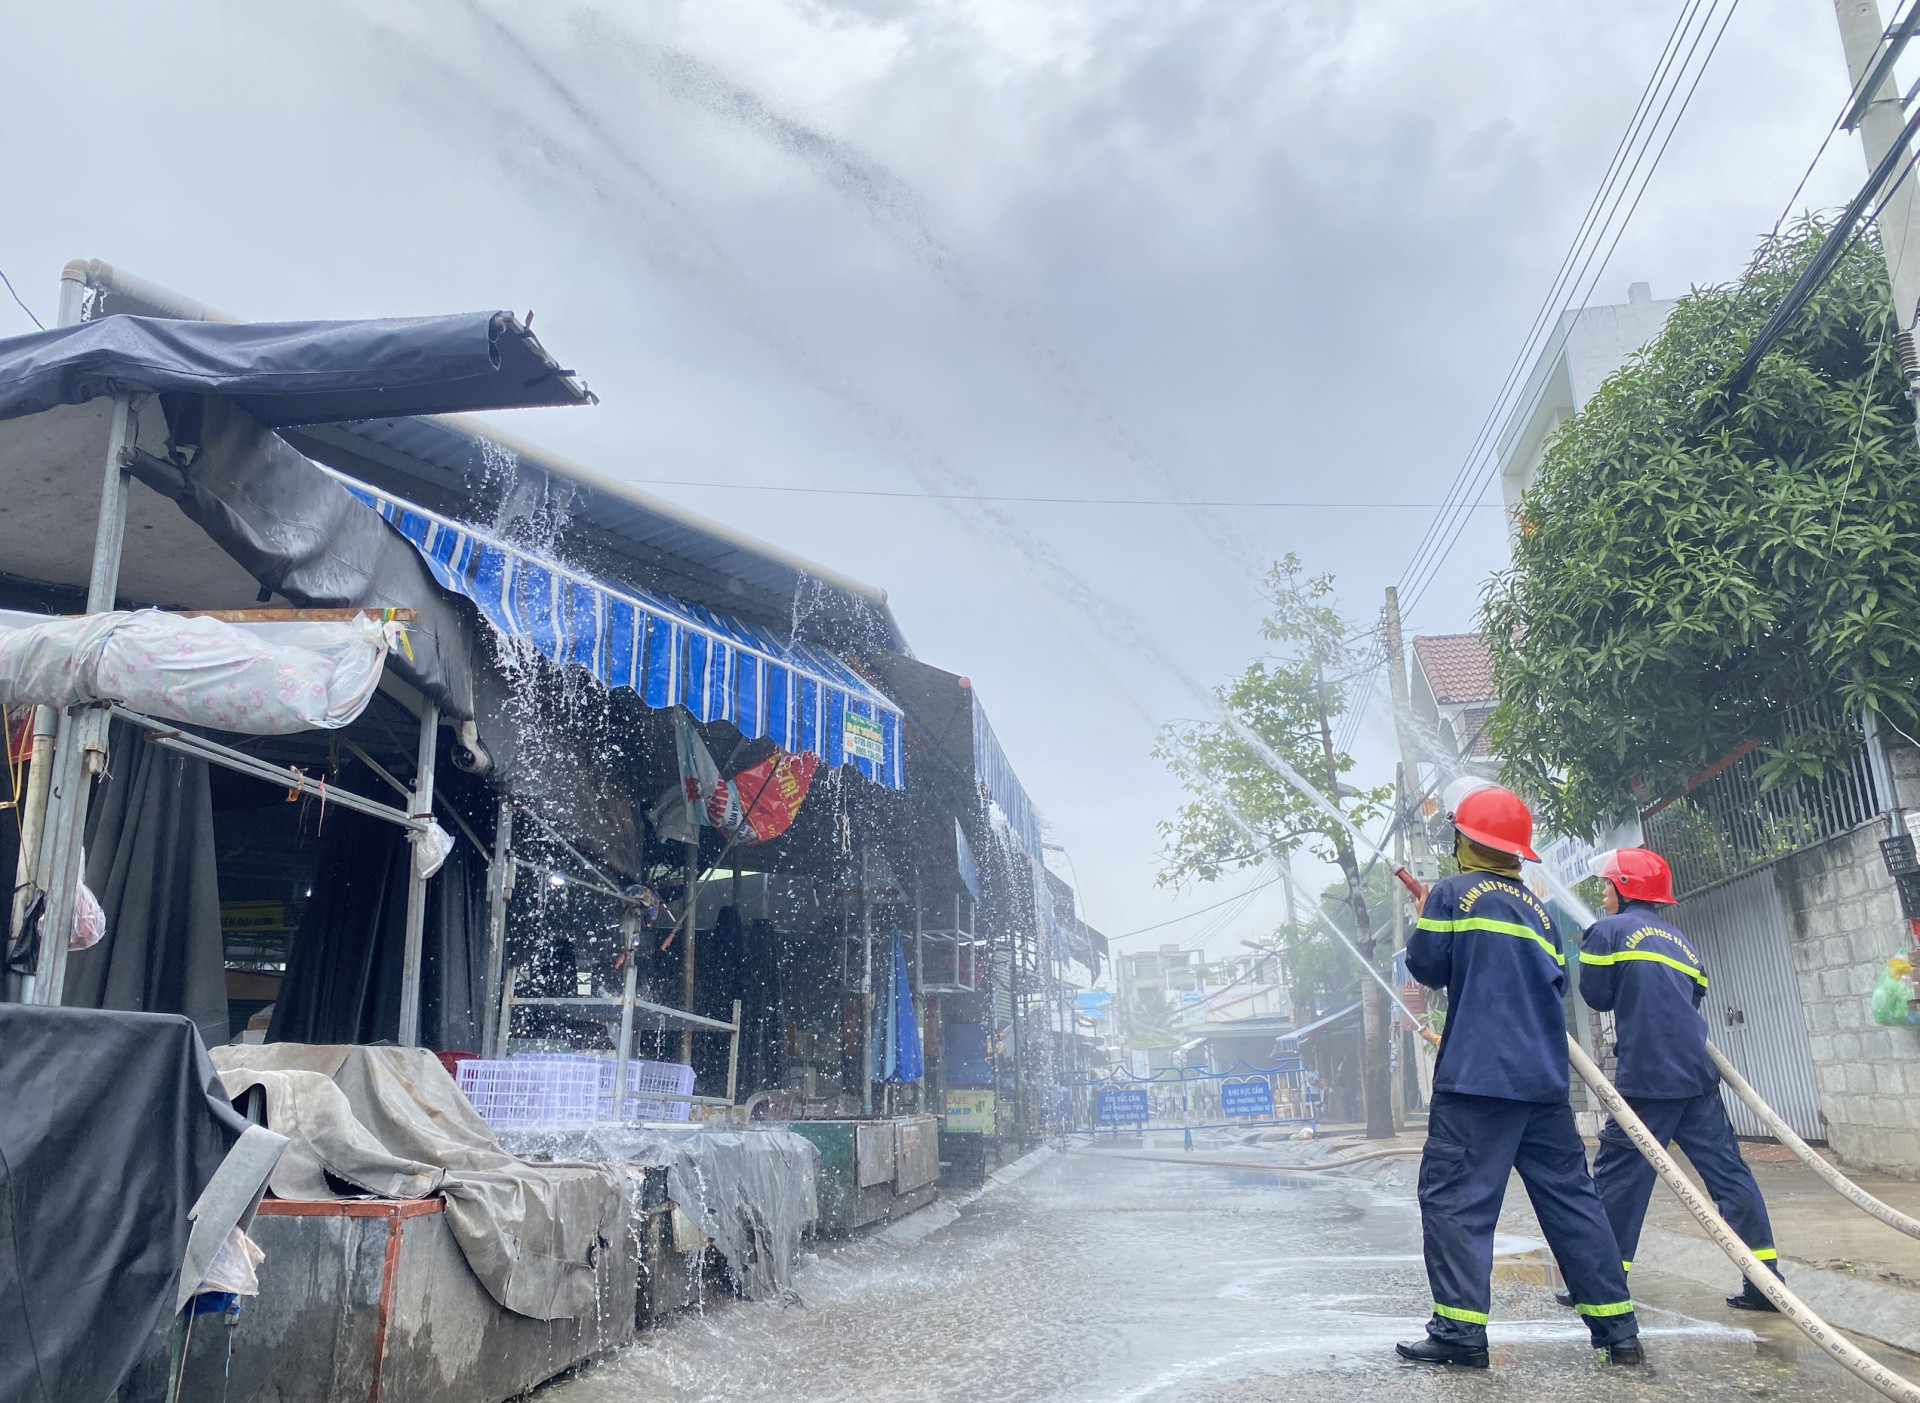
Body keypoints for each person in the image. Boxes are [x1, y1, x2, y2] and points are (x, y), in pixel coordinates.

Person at [1398, 783, 1642, 1369]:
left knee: (1457, 1201)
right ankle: (1619, 1333)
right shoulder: (1536, 907)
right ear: (1515, 851)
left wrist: (1425, 910)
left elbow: (1428, 966)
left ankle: (1460, 1335)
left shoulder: (1453, 894)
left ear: (1465, 841)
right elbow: (1554, 981)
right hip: (1543, 1082)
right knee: (1572, 1203)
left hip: (1477, 1080)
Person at [1569, 847, 1783, 1312]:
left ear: (1624, 889)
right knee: (1729, 1176)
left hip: (1647, 1077)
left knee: (1619, 1178)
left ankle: (1602, 1281)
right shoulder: (1680, 941)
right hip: (1697, 1076)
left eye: (1607, 885)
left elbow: (1598, 996)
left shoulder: (1607, 931)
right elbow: (1694, 996)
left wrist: (1590, 948)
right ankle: (1766, 1281)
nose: (1602, 894)